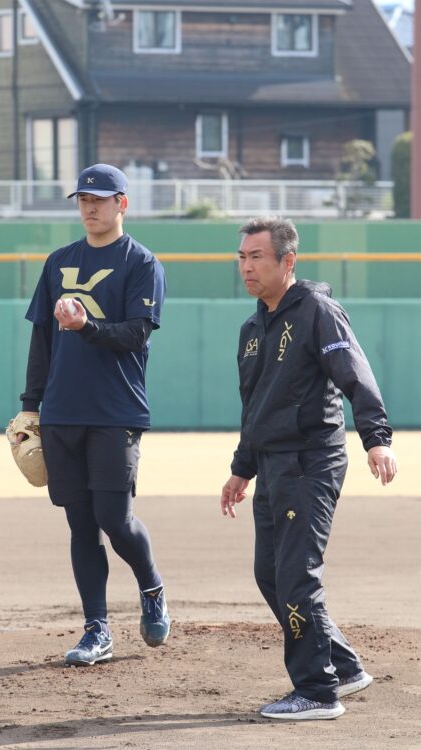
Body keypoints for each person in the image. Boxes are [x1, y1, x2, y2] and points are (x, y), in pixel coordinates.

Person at [220, 216, 396, 720]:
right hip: (272, 465)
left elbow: (355, 375)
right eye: (242, 257)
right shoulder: (251, 328)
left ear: (287, 261)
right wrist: (241, 469)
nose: (246, 266)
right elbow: (254, 408)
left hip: (312, 461)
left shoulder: (318, 310)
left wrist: (376, 440)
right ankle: (342, 666)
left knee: (297, 576)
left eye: (257, 257)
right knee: (270, 574)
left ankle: (317, 692)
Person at [15, 163, 170, 666]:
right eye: (83, 198)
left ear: (122, 204)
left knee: (113, 517)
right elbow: (41, 339)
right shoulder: (59, 261)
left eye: (100, 199)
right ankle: (96, 630)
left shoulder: (141, 263)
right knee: (81, 524)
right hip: (62, 412)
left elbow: (134, 336)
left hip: (115, 409)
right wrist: (29, 407)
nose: (89, 206)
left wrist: (86, 327)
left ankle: (151, 587)